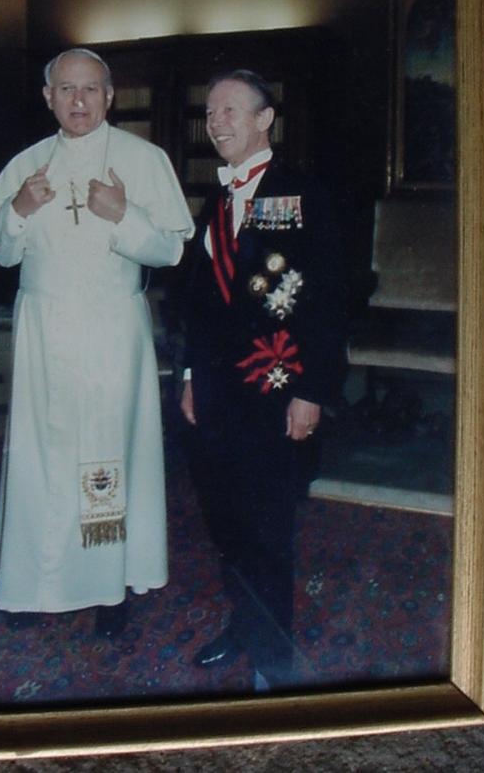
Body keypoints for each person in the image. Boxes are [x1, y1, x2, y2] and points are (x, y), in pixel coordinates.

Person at [0, 47, 194, 638]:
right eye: (67, 89)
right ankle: (31, 582)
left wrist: (123, 215)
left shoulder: (143, 159)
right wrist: (19, 208)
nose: (79, 100)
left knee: (106, 452)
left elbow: (171, 250)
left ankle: (108, 583)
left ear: (111, 96)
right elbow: (0, 250)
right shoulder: (26, 165)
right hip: (43, 329)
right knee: (39, 455)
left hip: (110, 327)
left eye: (91, 89)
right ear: (48, 97)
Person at [180, 69, 346, 688]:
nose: (215, 122)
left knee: (267, 527)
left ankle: (274, 665)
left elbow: (328, 300)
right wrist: (190, 374)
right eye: (210, 111)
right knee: (224, 520)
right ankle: (245, 624)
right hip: (216, 391)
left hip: (277, 389)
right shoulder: (216, 200)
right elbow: (199, 302)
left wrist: (313, 390)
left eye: (229, 110)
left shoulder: (304, 194)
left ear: (264, 119)